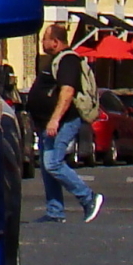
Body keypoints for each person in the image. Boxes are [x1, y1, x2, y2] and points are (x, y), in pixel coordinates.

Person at [25, 21, 105, 224]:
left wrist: (54, 120)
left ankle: (88, 198)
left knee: (53, 163)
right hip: (46, 124)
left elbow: (67, 91)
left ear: (56, 41)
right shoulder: (54, 60)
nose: (42, 42)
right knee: (46, 167)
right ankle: (55, 211)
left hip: (63, 122)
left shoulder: (68, 60)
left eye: (45, 39)